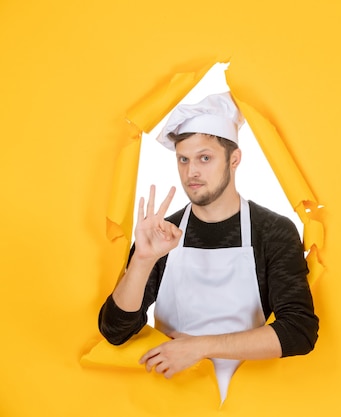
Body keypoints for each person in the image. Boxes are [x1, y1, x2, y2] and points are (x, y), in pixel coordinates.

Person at [98, 92, 318, 400]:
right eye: (183, 159)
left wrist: (200, 346)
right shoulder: (162, 234)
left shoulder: (272, 231)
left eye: (205, 158)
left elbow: (299, 331)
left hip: (249, 401)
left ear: (234, 159)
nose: (192, 173)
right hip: (172, 400)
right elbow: (115, 331)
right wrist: (143, 259)